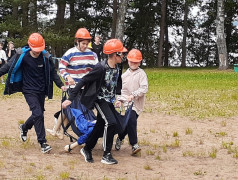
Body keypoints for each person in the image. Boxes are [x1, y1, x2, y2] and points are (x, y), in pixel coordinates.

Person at [62, 38, 127, 165]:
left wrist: (118, 97)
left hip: (109, 100)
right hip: (99, 99)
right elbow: (84, 81)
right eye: (121, 53)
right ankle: (106, 154)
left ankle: (87, 149)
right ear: (115, 55)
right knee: (111, 123)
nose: (123, 55)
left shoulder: (119, 66)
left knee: (100, 126)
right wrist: (71, 98)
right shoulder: (101, 68)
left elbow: (117, 81)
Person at [0, 33, 65, 153]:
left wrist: (61, 85)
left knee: (38, 114)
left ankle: (24, 127)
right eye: (35, 50)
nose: (37, 52)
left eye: (39, 49)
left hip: (41, 90)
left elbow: (53, 72)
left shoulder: (45, 57)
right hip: (28, 90)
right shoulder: (22, 56)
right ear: (30, 46)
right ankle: (43, 143)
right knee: (38, 114)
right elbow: (7, 67)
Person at [46, 28, 98, 139]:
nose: (85, 46)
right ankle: (58, 130)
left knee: (73, 110)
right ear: (77, 41)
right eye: (83, 43)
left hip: (87, 89)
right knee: (70, 108)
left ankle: (58, 130)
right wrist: (67, 76)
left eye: (87, 43)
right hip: (73, 87)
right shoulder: (70, 53)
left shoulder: (93, 55)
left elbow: (97, 70)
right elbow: (61, 67)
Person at [115, 49, 148, 155]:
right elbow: (122, 91)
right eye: (131, 61)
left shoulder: (141, 74)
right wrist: (120, 100)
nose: (133, 63)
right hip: (128, 104)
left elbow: (144, 88)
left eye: (136, 62)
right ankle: (134, 145)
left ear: (139, 62)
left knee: (128, 123)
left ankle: (120, 137)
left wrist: (133, 95)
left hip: (137, 104)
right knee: (131, 121)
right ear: (128, 61)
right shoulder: (124, 76)